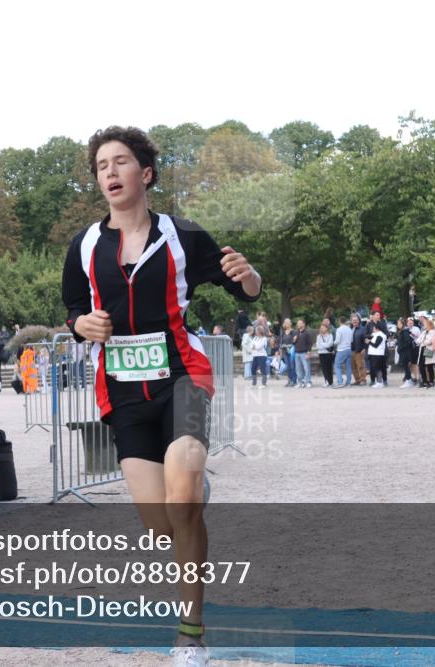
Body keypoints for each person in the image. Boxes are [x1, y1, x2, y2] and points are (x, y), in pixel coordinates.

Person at [61, 126, 261, 664]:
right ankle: (190, 493)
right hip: (122, 390)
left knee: (183, 474)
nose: (109, 172)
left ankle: (190, 634)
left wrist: (251, 276)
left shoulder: (182, 236)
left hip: (182, 375)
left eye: (120, 162)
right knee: (160, 522)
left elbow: (242, 283)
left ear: (144, 174)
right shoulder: (83, 245)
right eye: (101, 164)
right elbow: (72, 309)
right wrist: (83, 325)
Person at [332, 316, 354, 388]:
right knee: (348, 366)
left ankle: (340, 382)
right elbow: (351, 340)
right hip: (349, 349)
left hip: (341, 349)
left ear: (339, 321)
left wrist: (333, 343)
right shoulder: (349, 329)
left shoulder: (339, 329)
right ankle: (348, 382)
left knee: (337, 365)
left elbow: (337, 340)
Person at [396, 318, 417, 388]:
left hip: (405, 352)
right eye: (397, 324)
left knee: (406, 367)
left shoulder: (404, 332)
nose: (398, 325)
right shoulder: (401, 331)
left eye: (399, 324)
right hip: (403, 352)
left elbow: (407, 342)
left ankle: (408, 380)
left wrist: (401, 348)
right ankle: (409, 380)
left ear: (402, 324)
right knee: (405, 366)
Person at [367, 319, 388, 388]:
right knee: (375, 368)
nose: (373, 329)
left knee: (377, 368)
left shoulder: (380, 335)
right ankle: (379, 381)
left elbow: (376, 345)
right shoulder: (375, 334)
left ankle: (379, 382)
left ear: (377, 329)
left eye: (374, 328)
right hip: (374, 354)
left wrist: (369, 342)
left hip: (378, 354)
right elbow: (369, 336)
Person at [416, 316, 435, 388]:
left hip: (428, 349)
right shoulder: (424, 332)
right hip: (422, 349)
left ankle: (431, 381)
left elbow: (430, 341)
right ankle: (424, 381)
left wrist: (423, 342)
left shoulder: (432, 332)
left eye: (426, 324)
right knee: (421, 366)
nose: (425, 326)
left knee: (429, 366)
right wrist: (422, 342)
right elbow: (418, 340)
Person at [293, 319, 313, 388]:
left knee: (306, 368)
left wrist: (308, 352)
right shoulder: (296, 333)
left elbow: (310, 343)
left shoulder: (307, 333)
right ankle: (300, 382)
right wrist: (294, 340)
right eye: (298, 323)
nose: (298, 324)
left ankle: (308, 382)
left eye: (300, 323)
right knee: (298, 369)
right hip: (297, 353)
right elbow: (294, 343)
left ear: (303, 324)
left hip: (304, 353)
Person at [349, 314, 368, 386]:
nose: (355, 322)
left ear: (359, 321)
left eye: (356, 320)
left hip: (359, 351)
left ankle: (363, 380)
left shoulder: (362, 329)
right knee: (353, 367)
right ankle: (357, 380)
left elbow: (366, 339)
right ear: (351, 321)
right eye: (353, 320)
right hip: (351, 351)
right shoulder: (350, 329)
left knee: (361, 366)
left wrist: (364, 348)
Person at [316, 322, 335, 387]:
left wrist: (322, 345)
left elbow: (330, 344)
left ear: (326, 328)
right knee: (324, 368)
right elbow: (318, 346)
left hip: (328, 353)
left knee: (329, 368)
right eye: (321, 328)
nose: (322, 329)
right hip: (321, 354)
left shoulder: (330, 335)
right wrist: (324, 345)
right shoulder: (318, 336)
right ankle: (326, 381)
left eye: (323, 328)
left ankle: (331, 381)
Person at [280, 318, 297, 387]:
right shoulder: (283, 332)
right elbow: (281, 341)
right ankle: (289, 380)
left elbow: (294, 341)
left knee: (292, 366)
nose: (286, 324)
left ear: (290, 324)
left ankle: (294, 381)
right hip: (284, 351)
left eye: (288, 322)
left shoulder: (293, 332)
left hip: (291, 351)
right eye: (285, 323)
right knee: (288, 366)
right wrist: (281, 346)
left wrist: (289, 345)